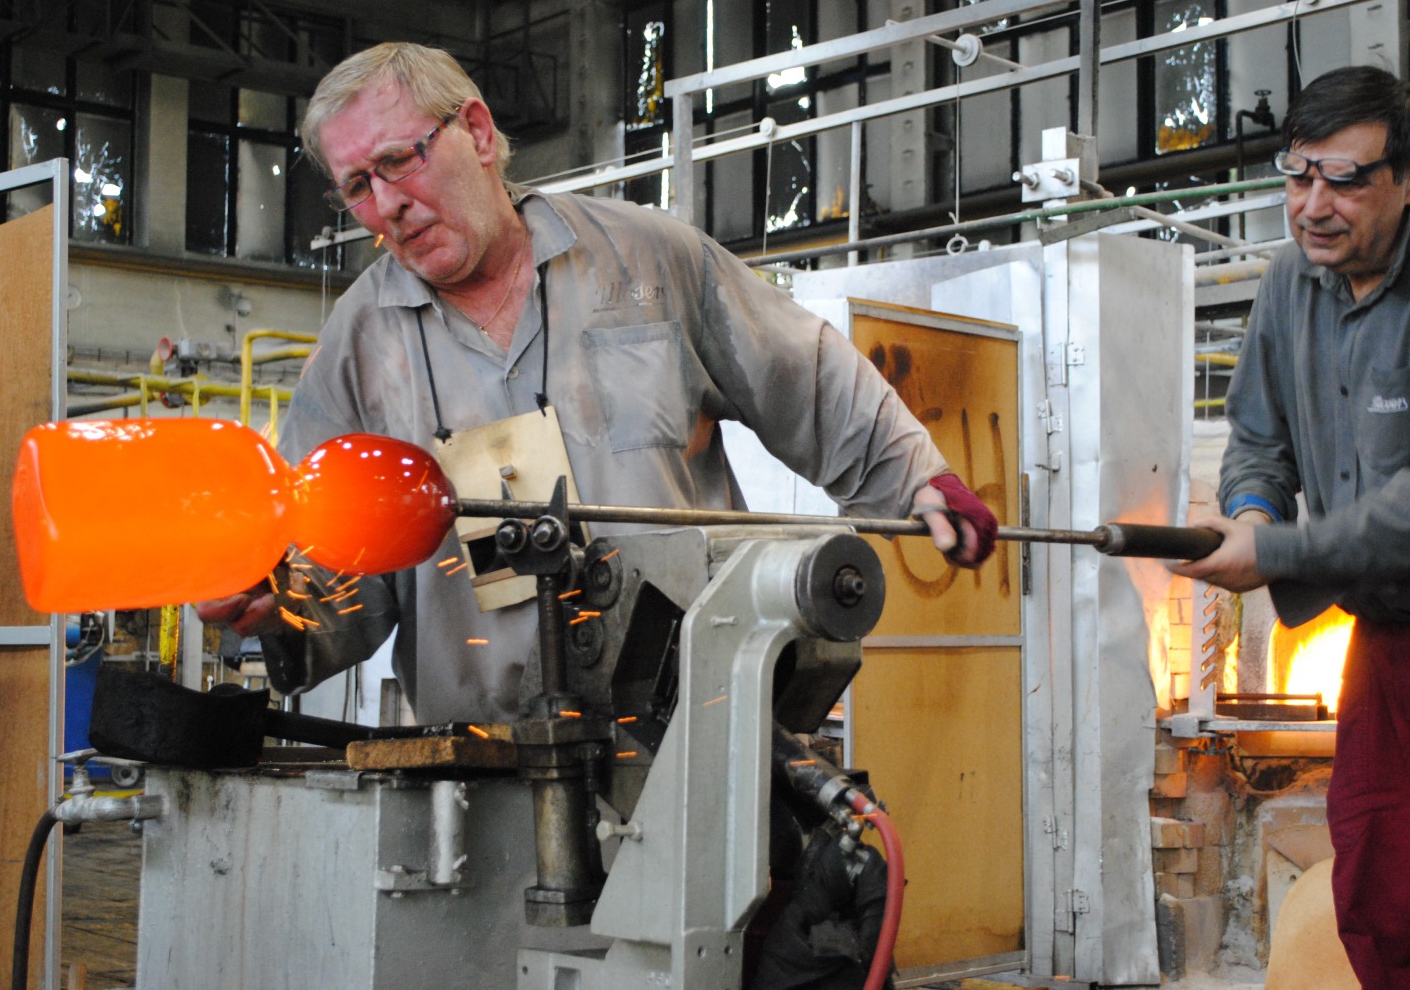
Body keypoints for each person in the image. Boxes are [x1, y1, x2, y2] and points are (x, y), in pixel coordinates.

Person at [199, 41, 995, 727]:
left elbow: (808, 378)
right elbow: (326, 562)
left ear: (475, 131)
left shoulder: (646, 261)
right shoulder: (360, 346)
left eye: (398, 161)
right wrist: (273, 605)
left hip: (694, 724)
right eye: (357, 186)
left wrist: (917, 481)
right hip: (486, 759)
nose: (388, 206)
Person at [1171, 65, 1410, 990]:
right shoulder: (1289, 286)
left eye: (1346, 179)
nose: (1313, 205)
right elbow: (1256, 441)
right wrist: (1247, 514)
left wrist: (1275, 552)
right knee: (1377, 882)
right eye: (1297, 174)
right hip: (1390, 642)